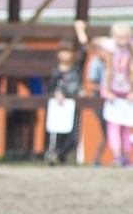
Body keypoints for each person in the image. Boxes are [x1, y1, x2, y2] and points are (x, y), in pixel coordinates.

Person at [45, 20, 90, 165]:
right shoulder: (55, 72)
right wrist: (56, 93)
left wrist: (80, 30)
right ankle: (56, 157)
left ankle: (57, 156)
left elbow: (85, 49)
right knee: (58, 134)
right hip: (59, 107)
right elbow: (50, 89)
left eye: (67, 51)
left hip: (74, 105)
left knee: (74, 137)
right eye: (62, 51)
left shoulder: (76, 68)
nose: (64, 55)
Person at [102, 21, 133, 167]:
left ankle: (127, 156)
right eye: (119, 37)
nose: (122, 40)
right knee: (113, 126)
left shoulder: (130, 49)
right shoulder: (110, 50)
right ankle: (117, 156)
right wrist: (106, 90)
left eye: (125, 37)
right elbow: (108, 70)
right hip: (114, 91)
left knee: (127, 126)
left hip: (127, 92)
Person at [87, 36, 111, 166]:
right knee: (106, 132)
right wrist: (106, 89)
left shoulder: (108, 62)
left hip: (108, 101)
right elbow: (91, 84)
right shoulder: (95, 63)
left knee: (109, 132)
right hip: (99, 102)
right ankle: (96, 159)